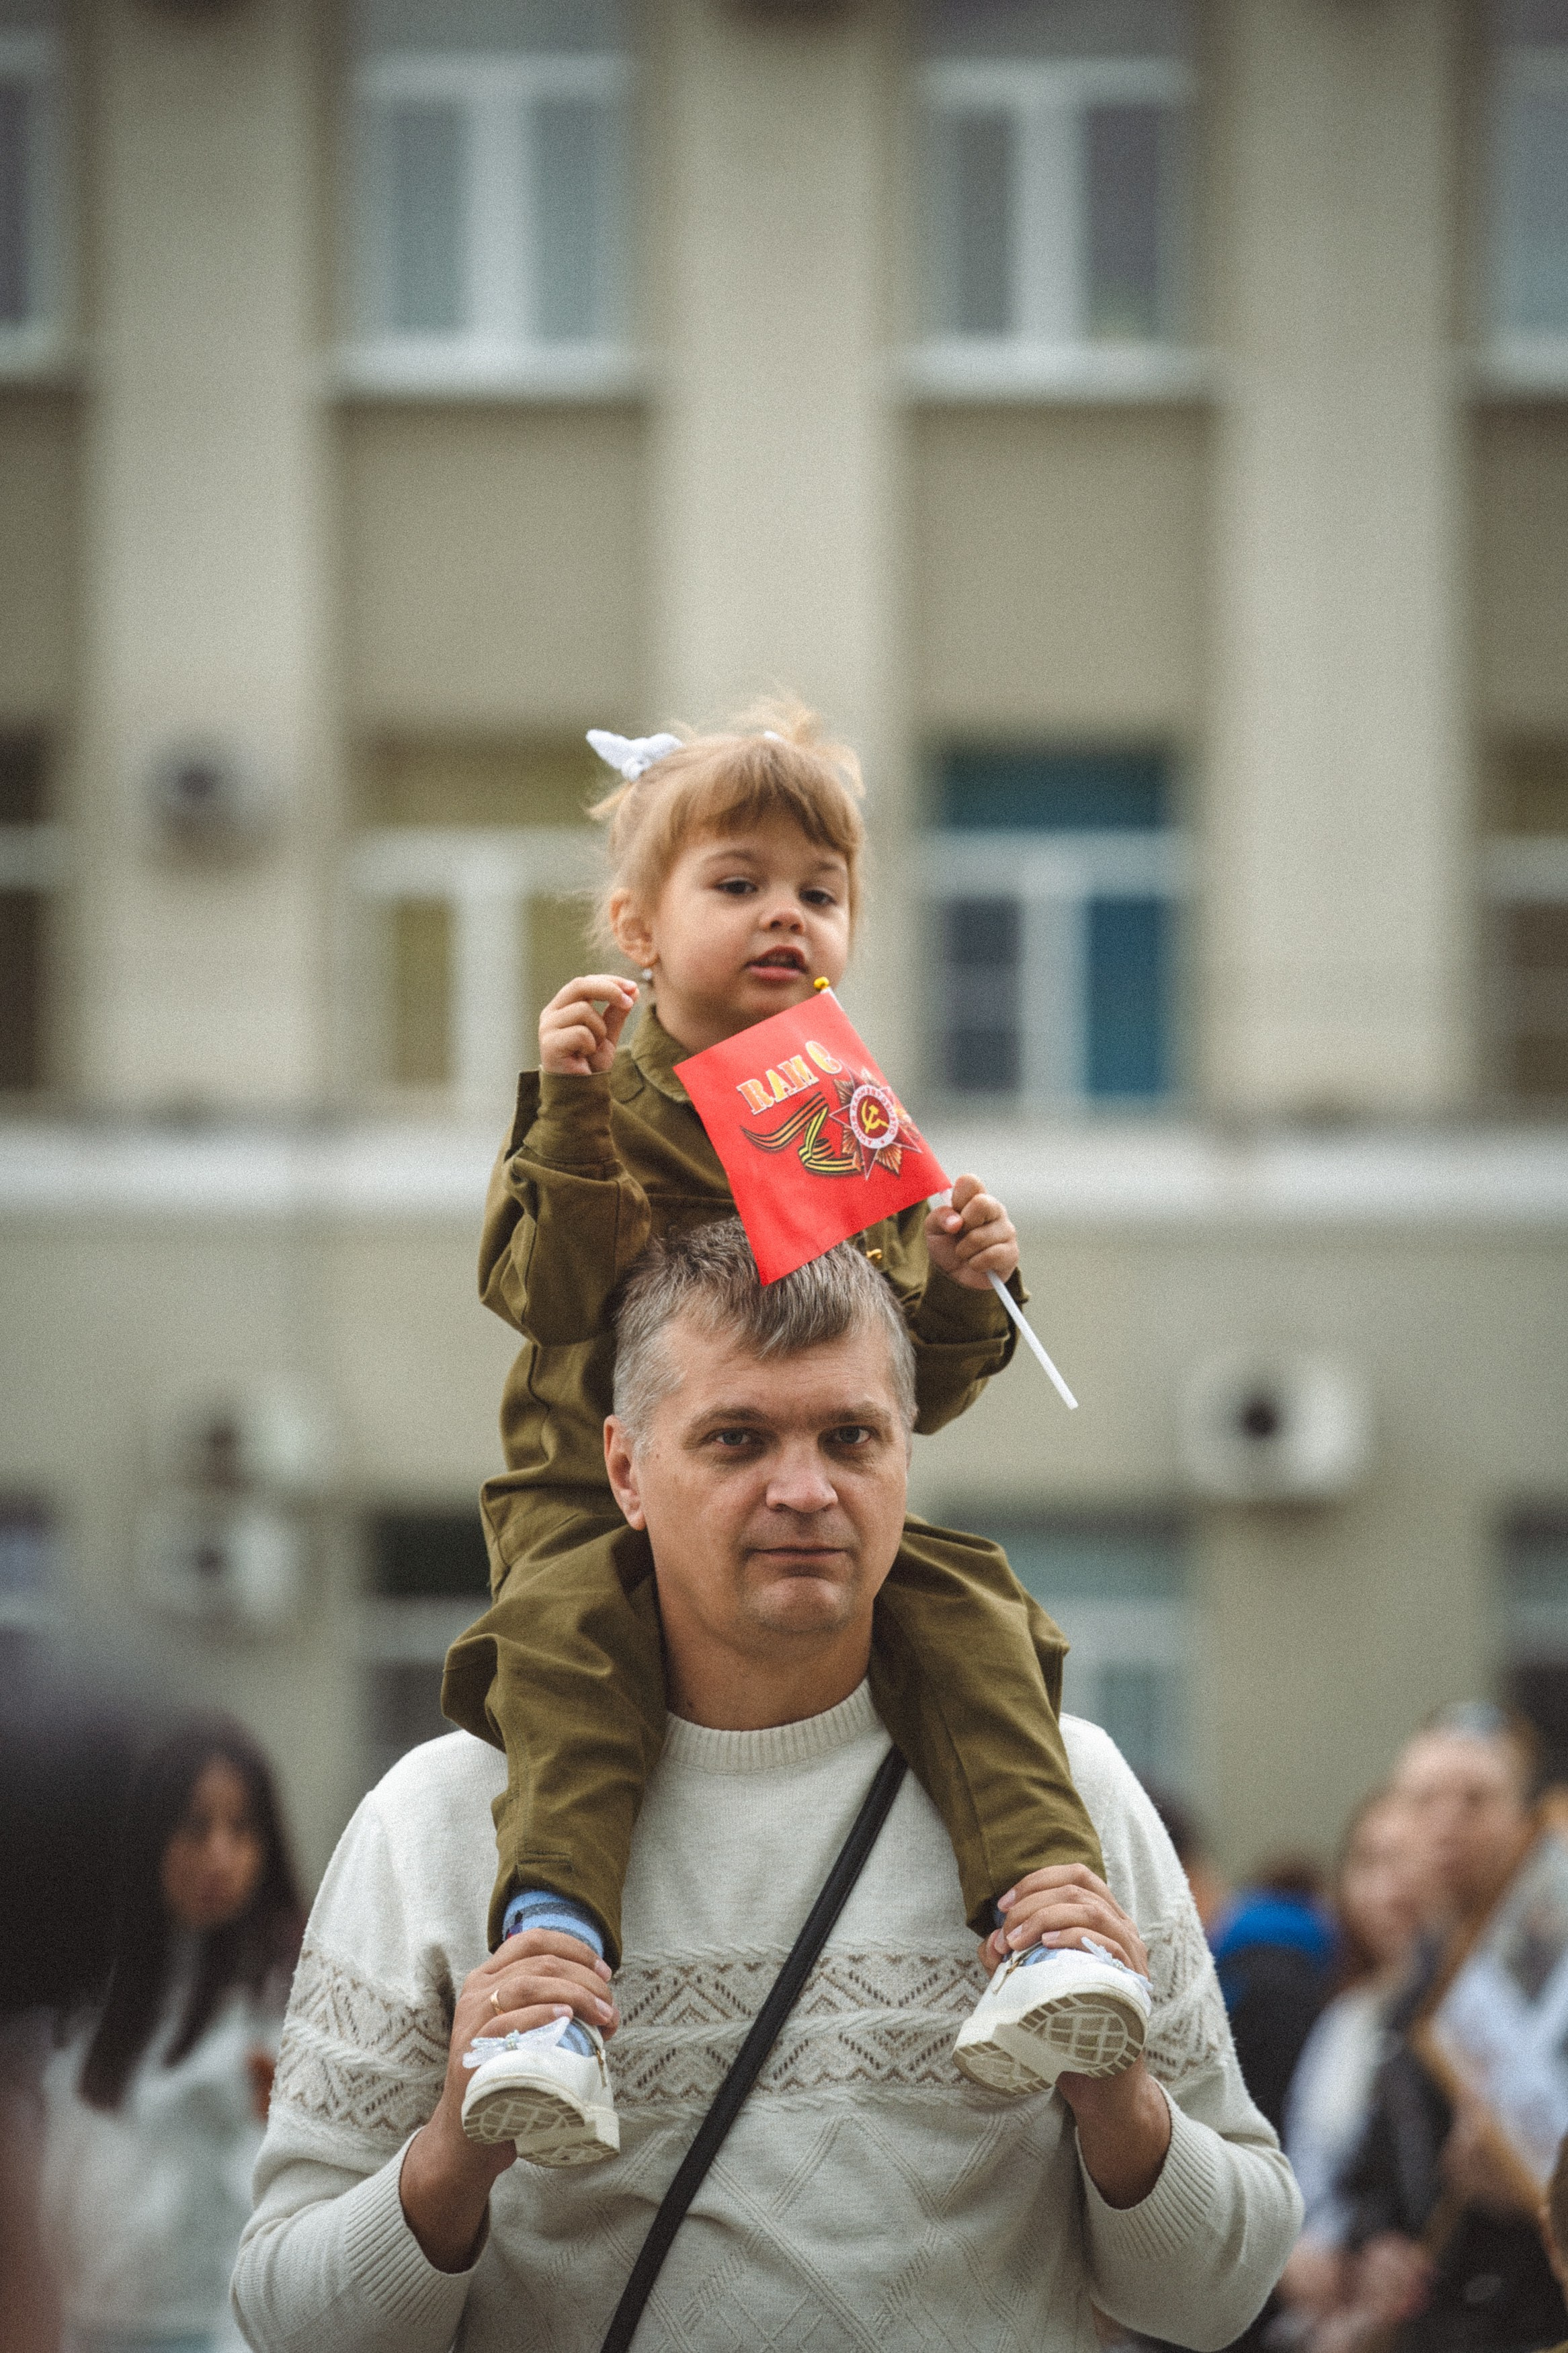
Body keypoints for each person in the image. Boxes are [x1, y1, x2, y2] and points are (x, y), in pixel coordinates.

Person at [235, 1222, 1301, 2351]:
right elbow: (287, 2317)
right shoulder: (440, 1817)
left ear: (903, 1456)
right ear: (623, 1471)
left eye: (850, 1437)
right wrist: (453, 2157)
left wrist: (1121, 2110)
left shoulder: (1064, 1796)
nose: (805, 1490)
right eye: (736, 1439)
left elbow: (1220, 2296)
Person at [442, 705, 1144, 2161]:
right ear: (634, 924)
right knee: (570, 1652)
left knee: (963, 1605)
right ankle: (552, 1981)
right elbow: (544, 1291)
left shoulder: (832, 1114)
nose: (785, 915)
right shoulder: (596, 1095)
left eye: (817, 892)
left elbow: (900, 1396)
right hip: (597, 1513)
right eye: (738, 882)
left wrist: (959, 1290)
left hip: (795, 1523)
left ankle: (1040, 1923)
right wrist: (565, 1112)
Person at [42, 1716, 304, 2353]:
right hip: (80, 2327)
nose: (219, 1854)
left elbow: (285, 2205)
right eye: (194, 1827)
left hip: (220, 2331)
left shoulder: (286, 1997)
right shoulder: (82, 1995)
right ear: (147, 1836)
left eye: (241, 1830)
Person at [1334, 1704, 1565, 2352]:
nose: (1445, 1822)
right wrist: (1375, 2246)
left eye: (1475, 1800)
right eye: (1422, 1799)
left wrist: (1534, 2197)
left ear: (1525, 1818)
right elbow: (1373, 2175)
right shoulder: (1415, 1990)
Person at [1272, 1788, 1428, 2335]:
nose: (1387, 1887)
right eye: (1367, 1862)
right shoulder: (1344, 2015)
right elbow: (1298, 2173)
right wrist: (1291, 2258)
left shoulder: (1454, 2020)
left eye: (1405, 1861)